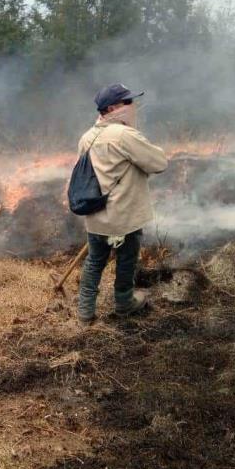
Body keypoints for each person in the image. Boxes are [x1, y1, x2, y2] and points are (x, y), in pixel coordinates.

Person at [74, 83, 168, 324]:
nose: (132, 106)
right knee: (127, 261)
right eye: (128, 102)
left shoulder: (87, 137)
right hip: (124, 216)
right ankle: (125, 302)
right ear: (113, 108)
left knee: (95, 261)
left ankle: (85, 312)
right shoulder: (124, 135)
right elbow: (158, 163)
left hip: (96, 215)